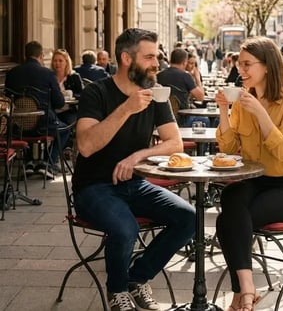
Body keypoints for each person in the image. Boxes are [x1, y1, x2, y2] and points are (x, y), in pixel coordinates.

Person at [72, 28, 195, 311]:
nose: (157, 63)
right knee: (125, 227)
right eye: (150, 57)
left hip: (134, 184)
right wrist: (126, 109)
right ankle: (117, 292)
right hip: (93, 187)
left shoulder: (156, 94)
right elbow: (87, 145)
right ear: (127, 58)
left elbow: (175, 143)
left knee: (188, 218)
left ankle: (137, 279)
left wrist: (140, 155)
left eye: (157, 56)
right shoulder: (97, 92)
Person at [214, 36, 283, 311]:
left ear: (267, 65)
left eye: (246, 64)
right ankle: (248, 289)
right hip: (255, 181)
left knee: (228, 222)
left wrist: (261, 113)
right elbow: (229, 147)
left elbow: (282, 152)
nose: (240, 69)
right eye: (238, 64)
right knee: (231, 199)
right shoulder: (242, 102)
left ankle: (240, 294)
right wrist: (224, 110)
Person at [5, 41, 71, 178]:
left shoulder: (12, 74)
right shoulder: (47, 74)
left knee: (27, 125)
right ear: (41, 56)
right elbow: (59, 103)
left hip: (17, 126)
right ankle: (48, 163)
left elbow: (7, 100)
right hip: (44, 125)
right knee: (65, 130)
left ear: (25, 55)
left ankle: (29, 162)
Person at [157, 48, 208, 127]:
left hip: (161, 119)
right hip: (182, 118)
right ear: (184, 62)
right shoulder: (185, 76)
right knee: (205, 120)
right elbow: (201, 97)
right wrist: (197, 79)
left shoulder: (159, 75)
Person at [51, 48, 84, 126]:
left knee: (68, 124)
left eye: (60, 61)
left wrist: (72, 95)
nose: (57, 63)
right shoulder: (50, 76)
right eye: (55, 61)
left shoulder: (74, 76)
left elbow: (82, 95)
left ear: (66, 62)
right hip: (52, 111)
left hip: (68, 111)